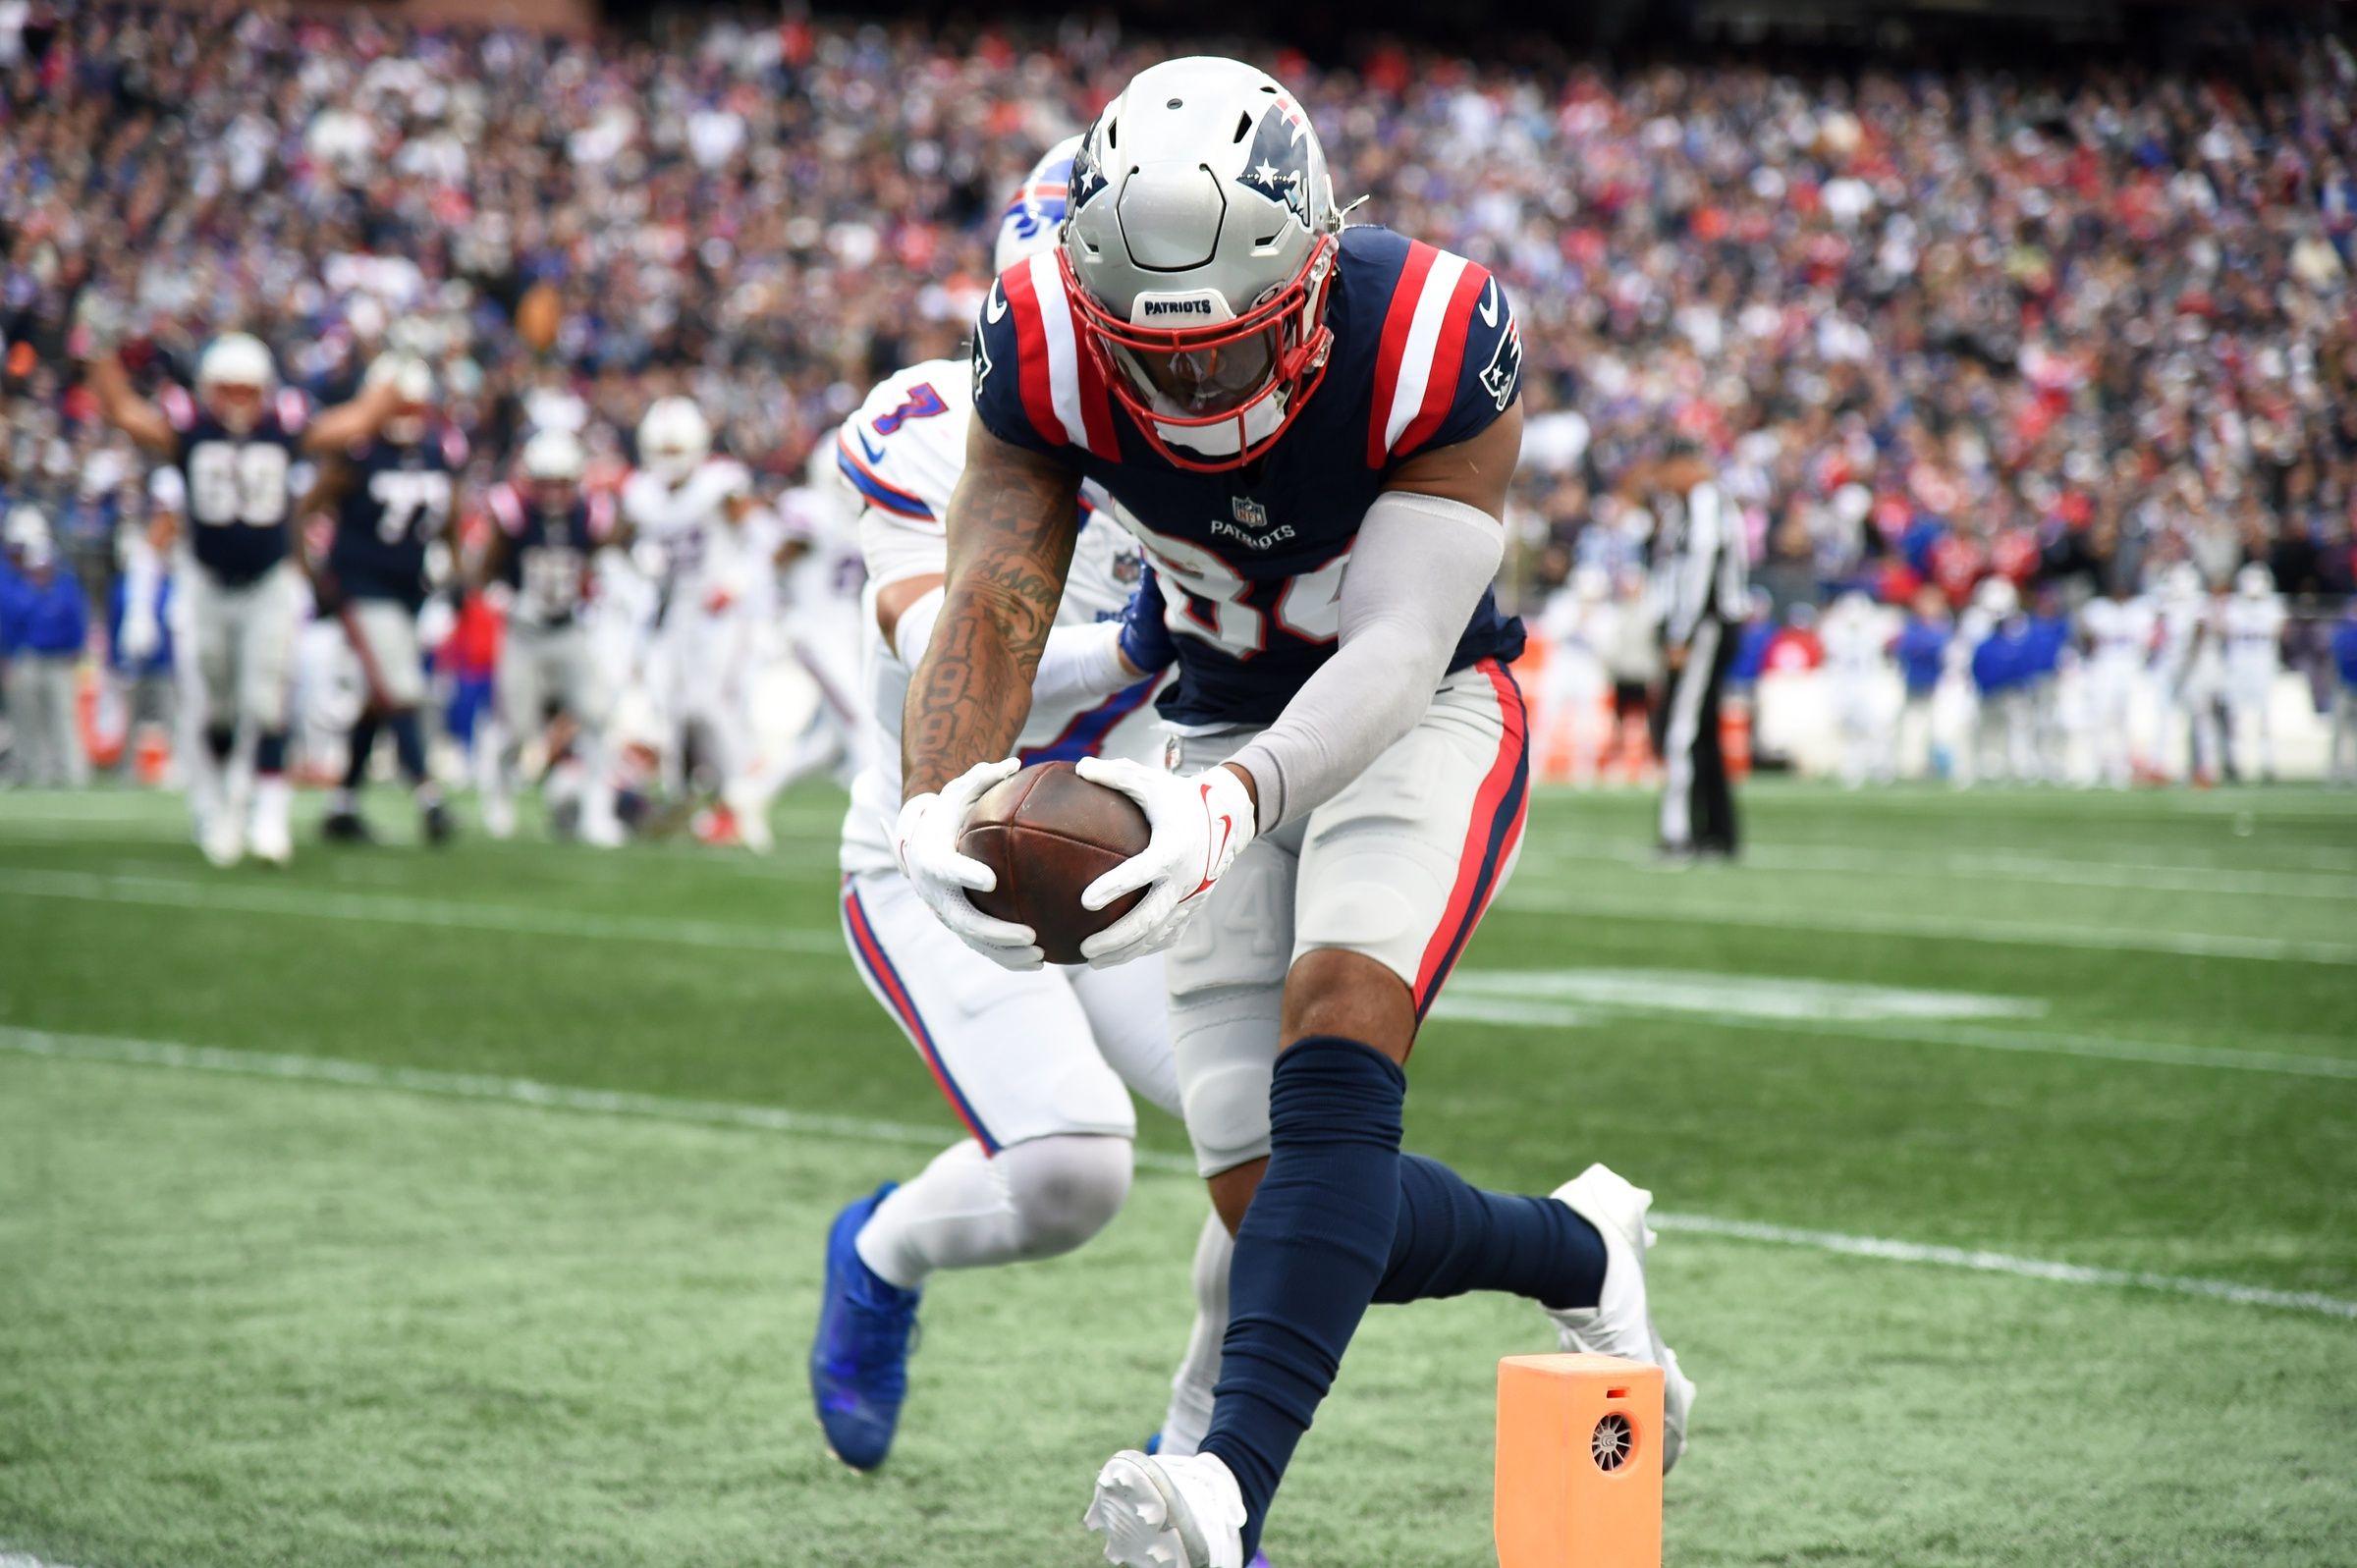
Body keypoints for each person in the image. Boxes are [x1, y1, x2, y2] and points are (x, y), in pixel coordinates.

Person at [886, 59, 1690, 1568]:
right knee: (1281, 1209)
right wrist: (943, 806)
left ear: (1316, 263)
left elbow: (1395, 640)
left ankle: (1225, 1489)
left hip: (1425, 704)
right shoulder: (1043, 335)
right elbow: (996, 584)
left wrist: (1229, 810)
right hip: (1212, 708)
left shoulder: (1437, 331)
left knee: (1340, 1021)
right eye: (1154, 356)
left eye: (1228, 349)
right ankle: (1579, 1243)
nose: (1194, 390)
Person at [812, 140, 1253, 1492]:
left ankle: (1201, 1460)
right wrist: (1124, 652)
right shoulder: (930, 420)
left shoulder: (1207, 436)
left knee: (1289, 1131)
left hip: (1118, 839)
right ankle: (881, 1252)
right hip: (939, 850)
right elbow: (941, 654)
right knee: (1072, 1173)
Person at [82, 317, 401, 865]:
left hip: (269, 582)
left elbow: (358, 420)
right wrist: (99, 347)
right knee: (221, 707)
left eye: (247, 389)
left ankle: (269, 817)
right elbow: (124, 414)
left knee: (269, 700)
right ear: (208, 387)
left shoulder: (283, 427)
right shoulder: (191, 430)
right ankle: (226, 803)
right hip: (206, 582)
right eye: (227, 388)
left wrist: (394, 370)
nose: (237, 400)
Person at [308, 354, 461, 845]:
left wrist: (452, 566)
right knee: (400, 688)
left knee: (379, 700)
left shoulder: (437, 453)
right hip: (362, 587)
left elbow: (453, 514)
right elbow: (304, 510)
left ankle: (342, 805)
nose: (409, 414)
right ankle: (429, 799)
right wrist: (315, 576)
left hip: (408, 591)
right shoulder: (357, 455)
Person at [620, 396, 780, 850]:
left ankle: (741, 802)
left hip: (721, 611)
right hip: (676, 613)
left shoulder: (720, 485)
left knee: (711, 706)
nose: (670, 461)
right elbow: (618, 544)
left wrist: (740, 580)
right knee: (675, 708)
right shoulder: (641, 494)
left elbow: (763, 534)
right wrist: (638, 565)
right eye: (663, 451)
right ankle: (697, 797)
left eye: (677, 451)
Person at [476, 428, 624, 846]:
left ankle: (598, 813)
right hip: (523, 634)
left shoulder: (590, 513)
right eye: (547, 482)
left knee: (596, 716)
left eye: (563, 482)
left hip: (568, 629)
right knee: (517, 728)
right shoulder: (515, 514)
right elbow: (485, 569)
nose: (555, 492)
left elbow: (602, 553)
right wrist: (503, 598)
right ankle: (498, 798)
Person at [1646, 443, 1747, 853]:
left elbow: (1698, 568)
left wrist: (1679, 635)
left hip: (1705, 626)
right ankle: (1718, 832)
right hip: (1707, 625)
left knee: (1681, 730)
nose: (1664, 481)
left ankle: (1679, 831)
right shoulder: (1691, 505)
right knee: (1702, 731)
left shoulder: (1704, 501)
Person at [0, 508, 87, 786]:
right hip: (28, 658)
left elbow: (77, 619)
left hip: (58, 660)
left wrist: (76, 647)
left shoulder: (63, 585)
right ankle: (32, 772)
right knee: (27, 720)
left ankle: (72, 773)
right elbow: (11, 621)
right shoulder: (18, 586)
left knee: (62, 718)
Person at [2078, 577, 2156, 788]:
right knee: (2102, 717)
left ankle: (2130, 766)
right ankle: (2101, 765)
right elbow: (2084, 632)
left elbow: (2154, 637)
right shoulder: (2098, 609)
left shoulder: (2141, 608)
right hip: (2105, 669)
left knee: (2132, 720)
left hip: (2132, 669)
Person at [2220, 563, 2287, 782]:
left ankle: (2268, 762)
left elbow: (2279, 631)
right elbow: (2224, 630)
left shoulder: (2274, 604)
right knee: (2235, 716)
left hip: (2262, 663)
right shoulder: (2234, 605)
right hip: (2239, 664)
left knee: (2265, 716)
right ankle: (2233, 761)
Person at [1892, 584, 1951, 780]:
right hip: (1914, 682)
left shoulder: (1945, 626)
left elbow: (1943, 652)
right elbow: (1905, 648)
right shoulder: (1912, 626)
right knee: (1910, 726)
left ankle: (1937, 766)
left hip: (1939, 685)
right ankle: (1907, 766)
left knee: (1938, 727)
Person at [2330, 601, 2357, 786]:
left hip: (2348, 686)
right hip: (2345, 687)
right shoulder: (2343, 633)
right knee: (2339, 733)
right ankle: (2336, 772)